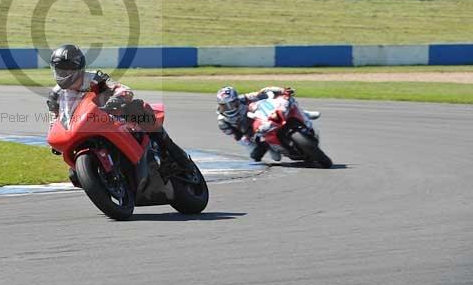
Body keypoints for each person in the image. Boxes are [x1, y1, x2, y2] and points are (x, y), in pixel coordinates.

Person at [46, 44, 191, 186]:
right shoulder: (55, 94)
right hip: (83, 127)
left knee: (137, 108)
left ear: (77, 68)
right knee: (75, 175)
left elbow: (120, 88)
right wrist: (56, 138)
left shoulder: (95, 78)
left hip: (113, 117)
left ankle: (170, 153)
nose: (61, 74)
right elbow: (55, 119)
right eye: (58, 69)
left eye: (65, 70)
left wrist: (118, 98)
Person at [215, 85, 321, 162]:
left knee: (284, 106)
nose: (229, 108)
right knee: (269, 156)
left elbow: (262, 93)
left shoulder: (244, 99)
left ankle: (304, 114)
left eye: (232, 103)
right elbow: (238, 137)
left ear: (236, 100)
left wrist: (278, 90)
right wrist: (251, 142)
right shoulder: (222, 121)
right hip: (249, 133)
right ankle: (273, 147)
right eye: (225, 105)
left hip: (261, 118)